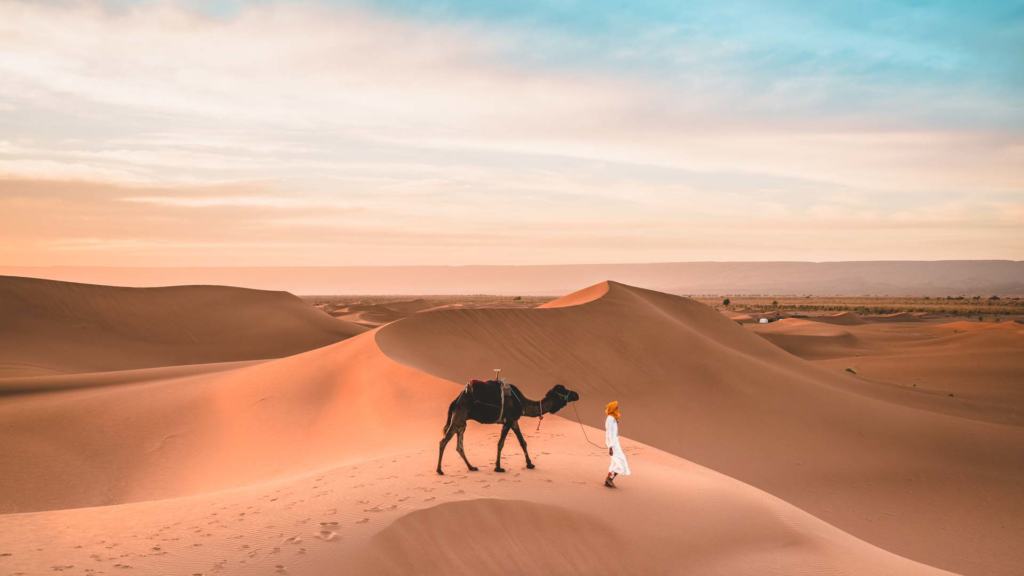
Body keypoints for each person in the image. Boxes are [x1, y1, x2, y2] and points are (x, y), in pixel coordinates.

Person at [604, 400, 630, 488]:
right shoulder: (610, 419)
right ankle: (609, 479)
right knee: (621, 461)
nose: (618, 409)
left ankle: (609, 480)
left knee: (615, 462)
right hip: (612, 444)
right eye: (616, 407)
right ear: (613, 408)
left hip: (615, 442)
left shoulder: (613, 418)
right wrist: (610, 446)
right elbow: (609, 433)